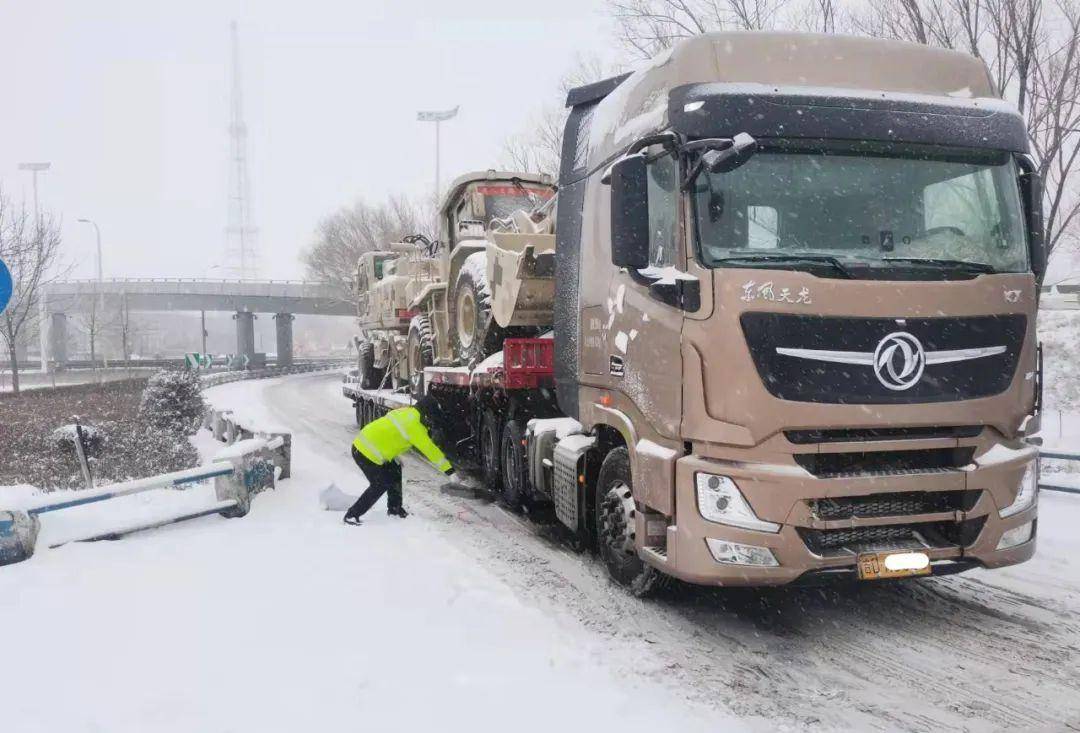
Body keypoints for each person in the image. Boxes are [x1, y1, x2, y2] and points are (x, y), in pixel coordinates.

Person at [344, 394, 453, 525]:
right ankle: (352, 514)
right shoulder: (415, 425)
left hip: (365, 445)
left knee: (394, 469)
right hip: (364, 452)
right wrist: (450, 471)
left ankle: (395, 509)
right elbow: (430, 450)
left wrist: (393, 455)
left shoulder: (407, 412)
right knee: (380, 484)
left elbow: (391, 434)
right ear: (427, 414)